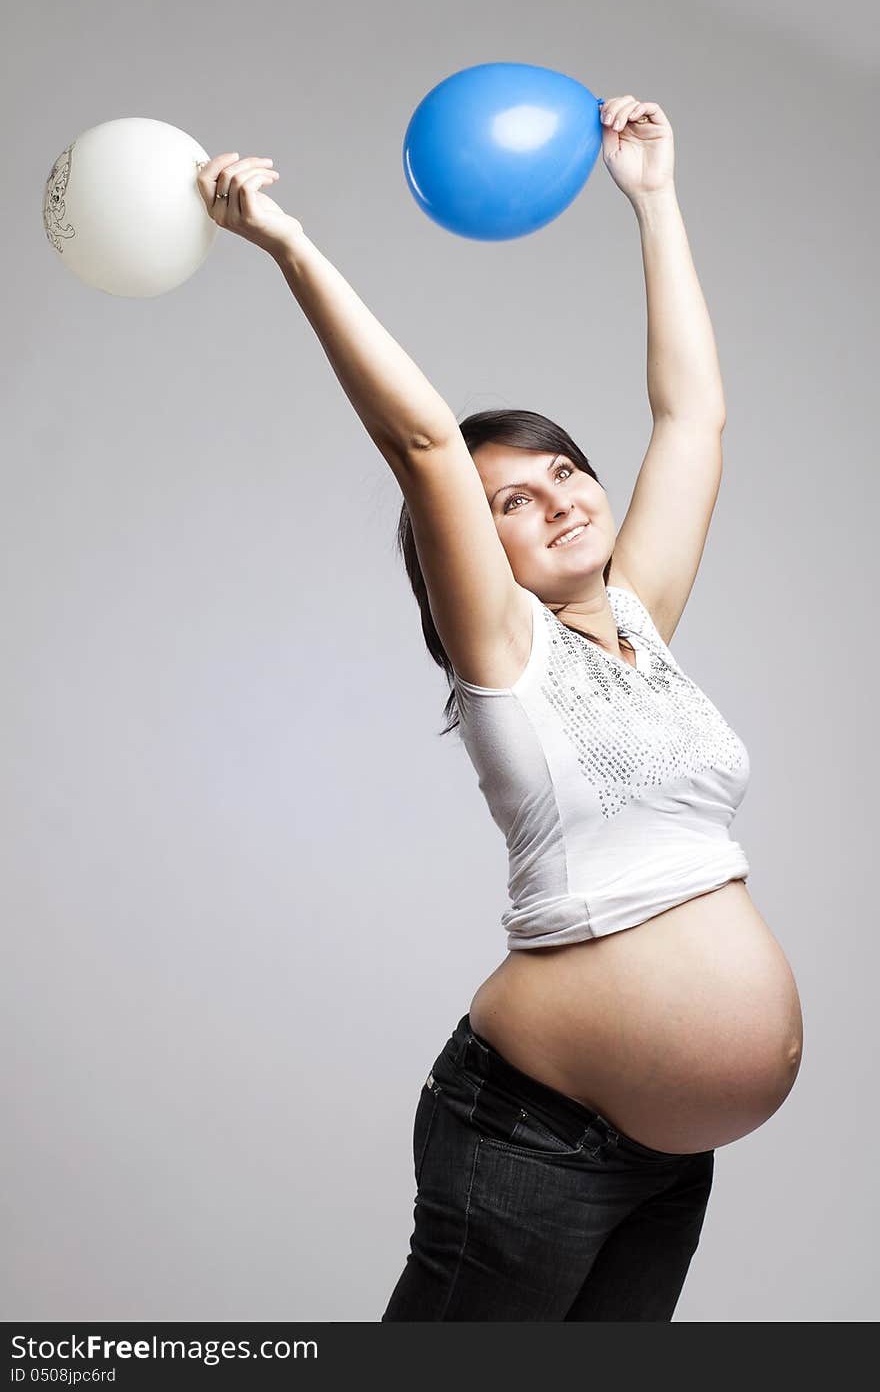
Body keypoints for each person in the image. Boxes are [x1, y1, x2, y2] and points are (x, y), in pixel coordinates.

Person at [196, 93, 804, 1321]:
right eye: (512, 503)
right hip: (530, 1140)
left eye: (565, 469)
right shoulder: (506, 657)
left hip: (662, 1160)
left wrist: (652, 198)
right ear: (477, 553)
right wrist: (288, 244)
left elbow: (693, 416)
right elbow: (422, 444)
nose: (563, 499)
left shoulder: (640, 624)